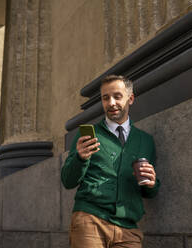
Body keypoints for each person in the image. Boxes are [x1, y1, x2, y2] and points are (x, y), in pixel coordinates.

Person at [61, 75, 160, 248]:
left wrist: (152, 184)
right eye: (105, 98)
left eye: (117, 96)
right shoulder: (89, 134)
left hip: (128, 228)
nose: (111, 103)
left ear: (131, 98)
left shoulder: (146, 141)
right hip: (89, 220)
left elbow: (148, 192)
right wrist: (80, 158)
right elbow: (68, 181)